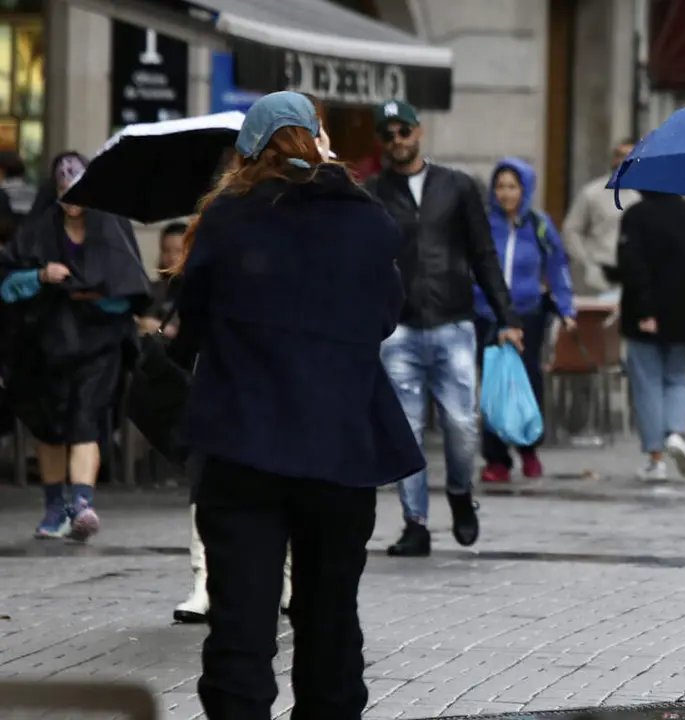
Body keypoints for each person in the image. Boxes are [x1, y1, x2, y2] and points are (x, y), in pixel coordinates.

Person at [166, 92, 422, 720]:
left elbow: (190, 324)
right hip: (339, 446)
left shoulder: (228, 218)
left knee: (241, 627)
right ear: (317, 142)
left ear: (248, 152)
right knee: (330, 620)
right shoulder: (368, 222)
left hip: (243, 447)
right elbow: (385, 317)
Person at [364, 100, 521, 557]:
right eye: (389, 134)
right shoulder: (373, 193)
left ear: (420, 131)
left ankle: (458, 493)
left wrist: (507, 316)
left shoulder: (457, 186)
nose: (398, 140)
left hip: (453, 321)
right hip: (399, 327)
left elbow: (484, 254)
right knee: (406, 430)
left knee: (461, 425)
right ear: (382, 141)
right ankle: (415, 523)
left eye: (404, 131)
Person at [0, 152, 150, 540]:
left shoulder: (112, 231)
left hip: (97, 343)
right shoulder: (36, 231)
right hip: (44, 344)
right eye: (65, 193)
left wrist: (95, 294)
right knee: (49, 428)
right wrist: (40, 276)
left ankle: (82, 504)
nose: (72, 202)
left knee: (86, 417)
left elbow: (130, 290)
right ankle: (55, 508)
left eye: (80, 193)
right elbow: (7, 285)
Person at [474, 157, 576, 483]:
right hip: (486, 313)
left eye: (512, 187)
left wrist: (567, 306)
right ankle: (496, 458)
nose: (505, 194)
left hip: (528, 315)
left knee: (527, 382)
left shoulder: (539, 224)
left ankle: (529, 448)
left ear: (525, 189)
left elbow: (558, 266)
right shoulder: (482, 223)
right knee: (493, 384)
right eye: (500, 187)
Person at [617, 190, 685, 481]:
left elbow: (631, 266)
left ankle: (655, 457)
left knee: (647, 383)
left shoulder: (635, 217)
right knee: (678, 376)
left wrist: (643, 309)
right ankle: (675, 432)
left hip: (643, 316)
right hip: (683, 314)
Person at [561, 139, 640, 296]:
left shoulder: (644, 196)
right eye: (619, 155)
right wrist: (587, 262)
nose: (622, 161)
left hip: (637, 277)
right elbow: (571, 230)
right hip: (600, 276)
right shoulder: (592, 193)